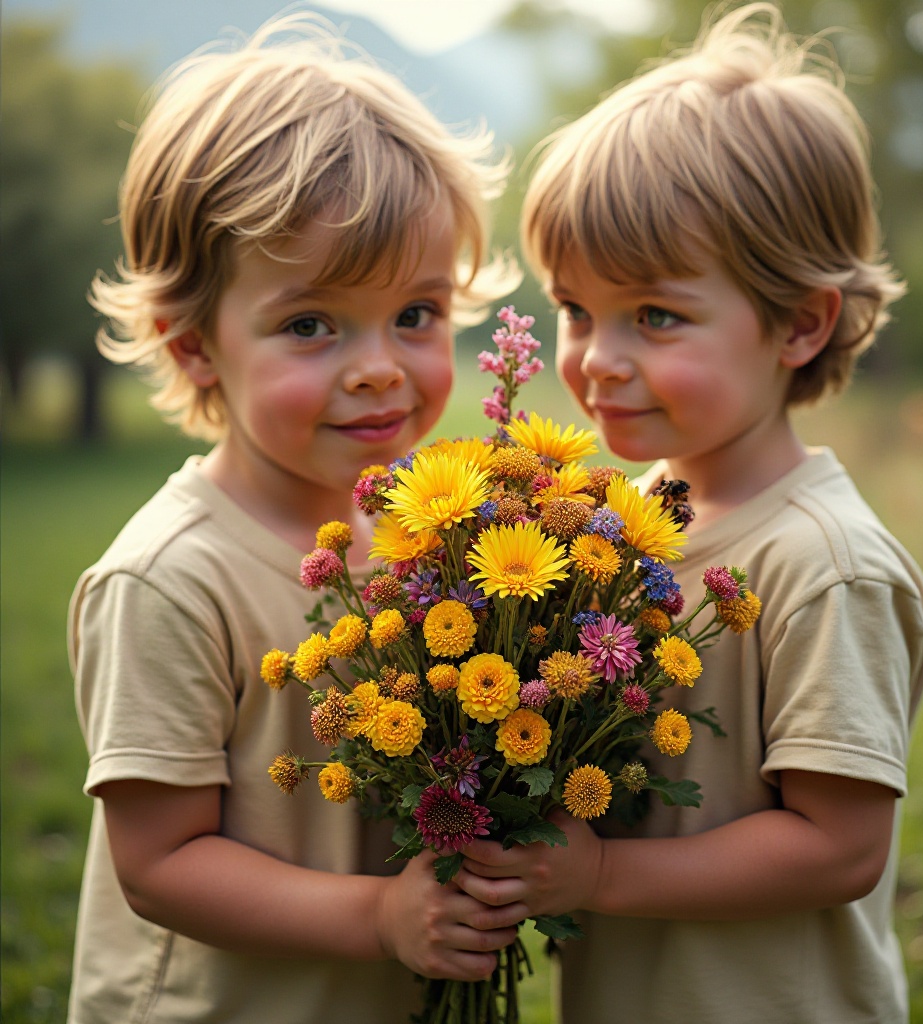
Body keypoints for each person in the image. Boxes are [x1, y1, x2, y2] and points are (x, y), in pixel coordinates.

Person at [457, 5, 923, 1022]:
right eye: (576, 309)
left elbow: (840, 844)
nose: (596, 359)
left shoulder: (823, 559)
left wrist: (596, 881)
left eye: (656, 316)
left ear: (799, 323)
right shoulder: (619, 529)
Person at [67, 15, 525, 1024]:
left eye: (416, 314)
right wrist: (379, 916)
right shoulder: (171, 577)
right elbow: (162, 862)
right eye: (311, 323)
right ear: (191, 346)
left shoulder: (421, 538)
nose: (379, 367)